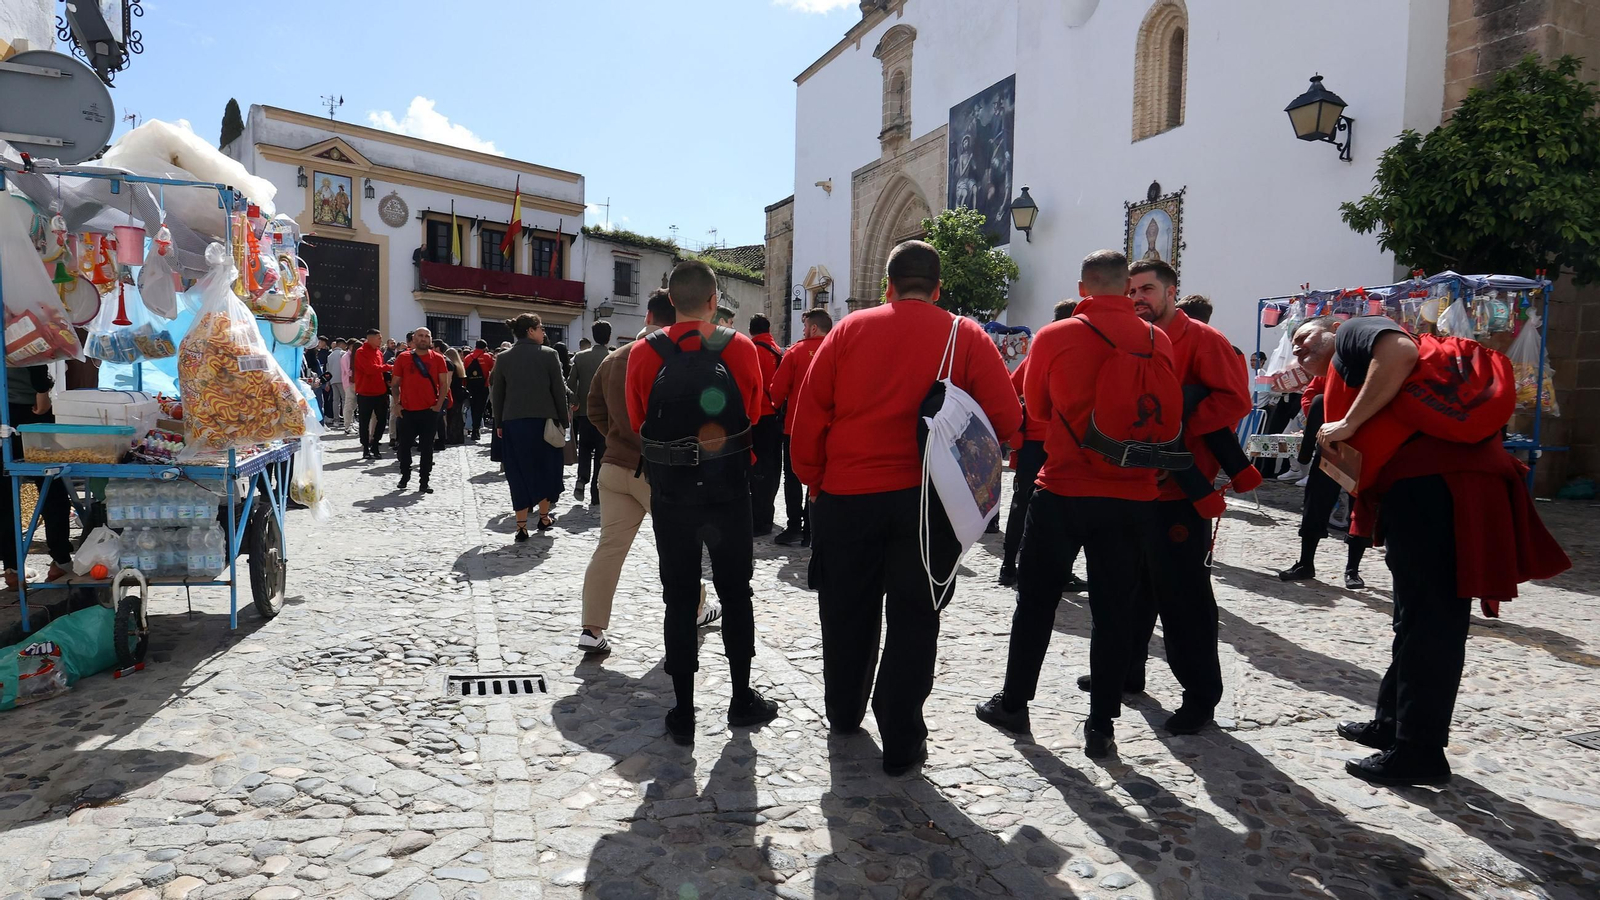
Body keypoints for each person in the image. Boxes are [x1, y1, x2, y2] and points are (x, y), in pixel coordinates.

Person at [1289, 315, 1568, 786]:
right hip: (1425, 488)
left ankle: (1420, 751)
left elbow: (1399, 352)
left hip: (1439, 488)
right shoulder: (1344, 361)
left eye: (1304, 337)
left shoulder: (1355, 330)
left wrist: (1347, 422)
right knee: (1414, 616)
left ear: (1332, 327)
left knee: (1432, 621)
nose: (1297, 349)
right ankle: (1392, 724)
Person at [792, 241, 1021, 776]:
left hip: (847, 497)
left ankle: (844, 712)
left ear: (887, 286)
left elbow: (810, 413)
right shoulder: (965, 336)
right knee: (915, 620)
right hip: (928, 506)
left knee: (846, 610)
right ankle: (901, 737)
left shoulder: (849, 330)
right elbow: (1008, 422)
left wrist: (815, 480)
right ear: (939, 289)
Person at [974, 249, 1177, 760]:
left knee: (1037, 601)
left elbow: (1038, 411)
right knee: (1115, 609)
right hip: (1133, 493)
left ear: (1085, 286)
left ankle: (1015, 703)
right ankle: (1102, 724)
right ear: (1126, 288)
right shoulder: (1159, 339)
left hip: (1064, 487)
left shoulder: (1056, 336)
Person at [627, 261, 779, 746]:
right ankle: (740, 698)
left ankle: (684, 711)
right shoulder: (738, 346)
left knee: (678, 597)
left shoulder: (642, 352)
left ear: (670, 300)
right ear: (715, 300)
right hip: (730, 489)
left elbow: (638, 421)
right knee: (736, 594)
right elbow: (752, 411)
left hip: (672, 492)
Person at [1110, 259, 1252, 735]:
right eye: (1131, 292)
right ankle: (1126, 671)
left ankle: (1200, 695)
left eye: (1147, 289)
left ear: (1172, 291)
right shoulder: (1130, 336)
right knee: (1132, 587)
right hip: (1132, 485)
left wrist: (1176, 419)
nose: (1138, 299)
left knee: (1183, 597)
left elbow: (1235, 400)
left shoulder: (1204, 341)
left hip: (1180, 490)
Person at [579, 290, 721, 654]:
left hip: (614, 465)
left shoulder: (614, 358)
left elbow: (594, 409)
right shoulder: (675, 357)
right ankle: (696, 609)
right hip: (658, 469)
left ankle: (591, 629)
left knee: (609, 548)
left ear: (647, 315)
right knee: (682, 547)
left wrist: (616, 438)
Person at [998, 298, 1086, 590]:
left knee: (1023, 504)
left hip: (1036, 443)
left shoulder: (1041, 346)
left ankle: (1010, 566)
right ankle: (1044, 569)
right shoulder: (1069, 347)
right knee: (1063, 508)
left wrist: (1016, 432)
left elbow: (1011, 387)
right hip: (1059, 443)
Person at [1278, 375, 1369, 588]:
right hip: (1330, 447)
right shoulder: (1333, 366)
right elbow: (1312, 398)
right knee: (1314, 507)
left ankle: (1353, 569)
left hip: (1363, 447)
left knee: (1361, 511)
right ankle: (1305, 563)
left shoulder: (1378, 366)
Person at [491, 314, 569, 539]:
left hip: (514, 422)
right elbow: (558, 391)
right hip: (545, 422)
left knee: (518, 472)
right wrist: (563, 421)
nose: (543, 332)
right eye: (541, 328)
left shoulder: (504, 357)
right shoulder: (549, 354)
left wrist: (499, 422)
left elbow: (498, 394)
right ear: (530, 331)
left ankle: (521, 525)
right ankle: (544, 518)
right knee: (546, 469)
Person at [1, 365, 72, 586]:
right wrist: (42, 391)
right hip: (26, 405)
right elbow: (32, 350)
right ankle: (60, 560)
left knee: (4, 490)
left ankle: (12, 568)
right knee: (51, 482)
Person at [769, 308, 830, 547]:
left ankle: (794, 526)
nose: (804, 331)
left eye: (805, 326)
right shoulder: (837, 349)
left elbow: (777, 391)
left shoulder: (795, 352)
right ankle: (812, 528)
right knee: (821, 476)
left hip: (795, 427)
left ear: (813, 327)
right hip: (827, 427)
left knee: (793, 477)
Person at [391, 327, 451, 495]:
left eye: (427, 336)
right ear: (414, 339)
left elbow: (444, 384)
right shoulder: (403, 358)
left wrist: (438, 405)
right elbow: (394, 384)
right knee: (403, 447)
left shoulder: (438, 359)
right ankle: (405, 475)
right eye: (420, 336)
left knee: (427, 448)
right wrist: (397, 404)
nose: (423, 339)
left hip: (429, 410)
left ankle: (424, 481)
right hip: (407, 411)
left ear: (431, 340)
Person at [746, 314, 784, 537]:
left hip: (756, 417)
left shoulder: (750, 350)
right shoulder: (779, 351)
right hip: (775, 417)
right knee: (772, 469)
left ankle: (757, 519)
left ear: (751, 331)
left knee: (755, 468)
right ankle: (768, 515)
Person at [567, 321, 612, 504]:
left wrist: (575, 402)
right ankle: (596, 493)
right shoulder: (613, 357)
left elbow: (570, 384)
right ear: (608, 336)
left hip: (585, 412)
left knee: (584, 448)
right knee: (601, 453)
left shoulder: (580, 357)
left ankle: (581, 478)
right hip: (606, 415)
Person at [353, 329, 392, 460]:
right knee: (364, 421)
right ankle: (365, 448)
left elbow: (378, 370)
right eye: (379, 338)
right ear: (370, 338)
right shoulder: (361, 352)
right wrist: (388, 367)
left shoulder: (379, 352)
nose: (381, 340)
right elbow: (370, 369)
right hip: (365, 392)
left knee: (381, 420)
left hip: (380, 392)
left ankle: (375, 444)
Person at [463, 340, 496, 442]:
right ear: (485, 347)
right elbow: (493, 369)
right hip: (483, 386)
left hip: (471, 386)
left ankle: (474, 428)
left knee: (472, 408)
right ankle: (476, 429)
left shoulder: (468, 357)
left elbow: (464, 372)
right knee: (480, 408)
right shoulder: (487, 357)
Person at [443, 347, 469, 446]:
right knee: (458, 416)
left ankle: (452, 437)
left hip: (453, 393)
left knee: (451, 416)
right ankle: (458, 437)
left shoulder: (451, 366)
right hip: (459, 393)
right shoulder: (459, 366)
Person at [325, 338, 348, 429]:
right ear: (341, 344)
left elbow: (328, 369)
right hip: (342, 379)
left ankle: (336, 420)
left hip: (332, 379)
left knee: (335, 400)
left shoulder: (330, 356)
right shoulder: (343, 354)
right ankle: (347, 419)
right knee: (344, 399)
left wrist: (328, 382)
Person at [339, 338, 357, 434]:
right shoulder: (346, 357)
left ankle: (351, 423)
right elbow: (348, 371)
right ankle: (347, 426)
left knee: (353, 405)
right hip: (349, 383)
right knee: (349, 404)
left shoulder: (353, 356)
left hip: (354, 383)